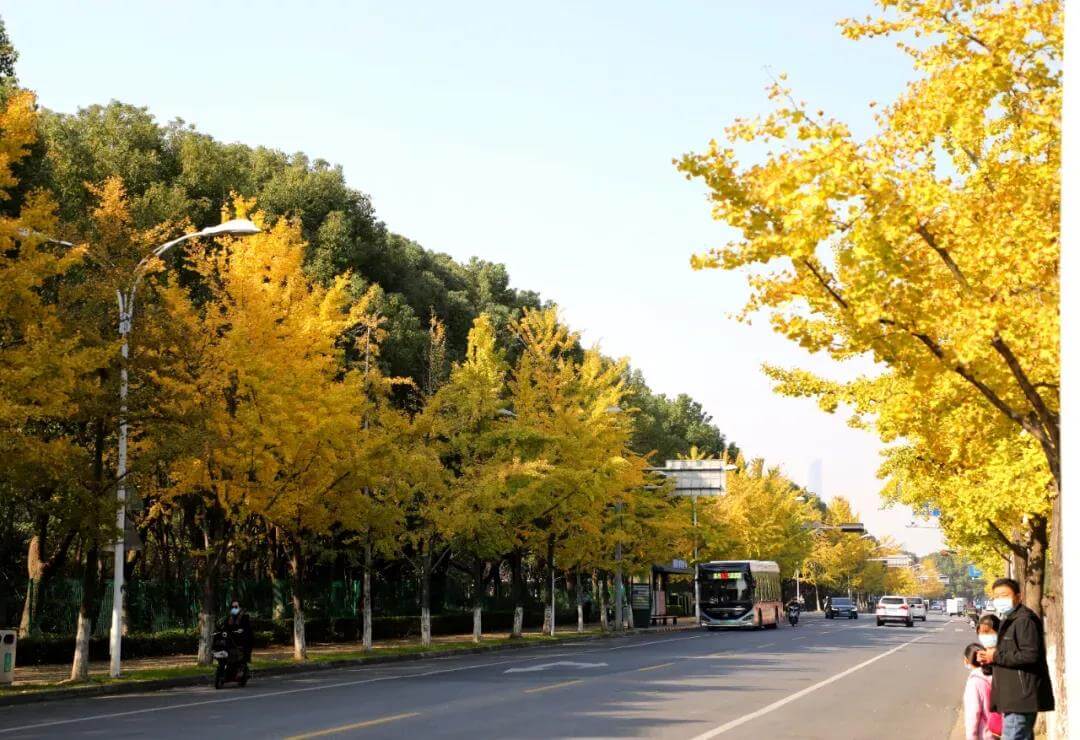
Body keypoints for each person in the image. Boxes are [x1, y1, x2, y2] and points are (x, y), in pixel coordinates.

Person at [976, 578, 1054, 740]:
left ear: (1019, 597)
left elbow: (1030, 655)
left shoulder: (1025, 620)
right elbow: (1009, 654)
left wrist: (996, 655)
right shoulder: (1009, 619)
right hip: (1012, 696)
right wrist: (990, 658)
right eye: (996, 597)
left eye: (1004, 595)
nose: (999, 600)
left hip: (1020, 698)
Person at [963, 643, 1003, 740]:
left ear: (967, 661)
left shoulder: (974, 683)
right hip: (999, 732)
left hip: (984, 735)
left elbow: (972, 716)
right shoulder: (997, 676)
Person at [223, 598, 253, 664]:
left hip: (242, 644)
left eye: (236, 607)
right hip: (231, 643)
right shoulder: (229, 618)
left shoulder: (245, 617)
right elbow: (225, 629)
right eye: (232, 607)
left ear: (240, 608)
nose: (234, 609)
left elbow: (248, 632)